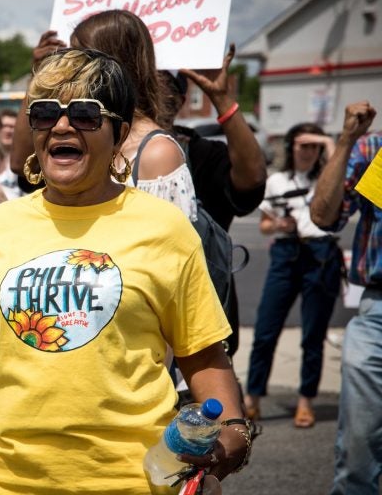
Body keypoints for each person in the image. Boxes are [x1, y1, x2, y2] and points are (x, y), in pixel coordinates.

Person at [0, 49, 250, 495]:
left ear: (118, 132)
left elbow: (203, 355)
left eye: (84, 114)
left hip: (133, 482)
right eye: (45, 114)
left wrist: (234, 431)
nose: (62, 126)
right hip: (1, 483)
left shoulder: (164, 228)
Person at [12, 10, 197, 221]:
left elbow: (166, 243)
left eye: (82, 55)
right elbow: (20, 163)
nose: (72, 64)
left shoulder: (158, 153)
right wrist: (44, 75)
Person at [159, 49, 268, 357]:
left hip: (201, 330)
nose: (149, 97)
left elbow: (251, 183)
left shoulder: (202, 155)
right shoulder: (105, 158)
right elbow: (23, 167)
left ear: (179, 100)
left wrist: (221, 99)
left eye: (162, 88)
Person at [244, 123, 342, 428]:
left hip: (322, 254)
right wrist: (279, 226)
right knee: (265, 330)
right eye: (303, 145)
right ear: (291, 147)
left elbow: (342, 178)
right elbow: (264, 225)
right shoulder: (277, 181)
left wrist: (328, 142)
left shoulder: (329, 178)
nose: (309, 152)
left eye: (315, 146)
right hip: (286, 254)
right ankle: (253, 398)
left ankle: (305, 401)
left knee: (313, 335)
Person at [309, 100, 380, 494]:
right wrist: (347, 140)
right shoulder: (373, 151)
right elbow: (324, 215)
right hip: (377, 312)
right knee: (358, 452)